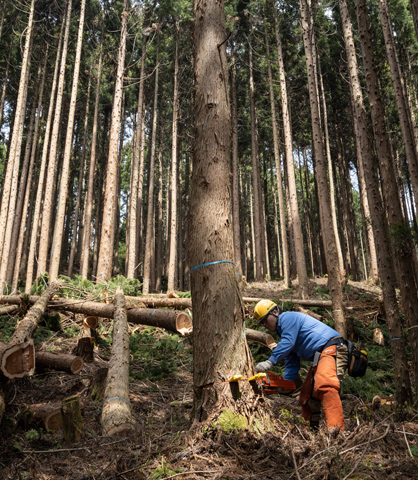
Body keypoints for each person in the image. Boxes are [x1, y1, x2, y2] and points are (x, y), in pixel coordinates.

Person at [253, 299, 348, 432]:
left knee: (326, 385)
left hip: (332, 347)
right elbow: (292, 361)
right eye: (261, 323)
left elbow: (288, 343)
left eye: (264, 320)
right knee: (306, 397)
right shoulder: (284, 332)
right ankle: (309, 433)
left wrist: (271, 361)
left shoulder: (287, 318)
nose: (264, 325)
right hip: (319, 357)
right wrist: (286, 383)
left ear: (275, 312)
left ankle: (337, 430)